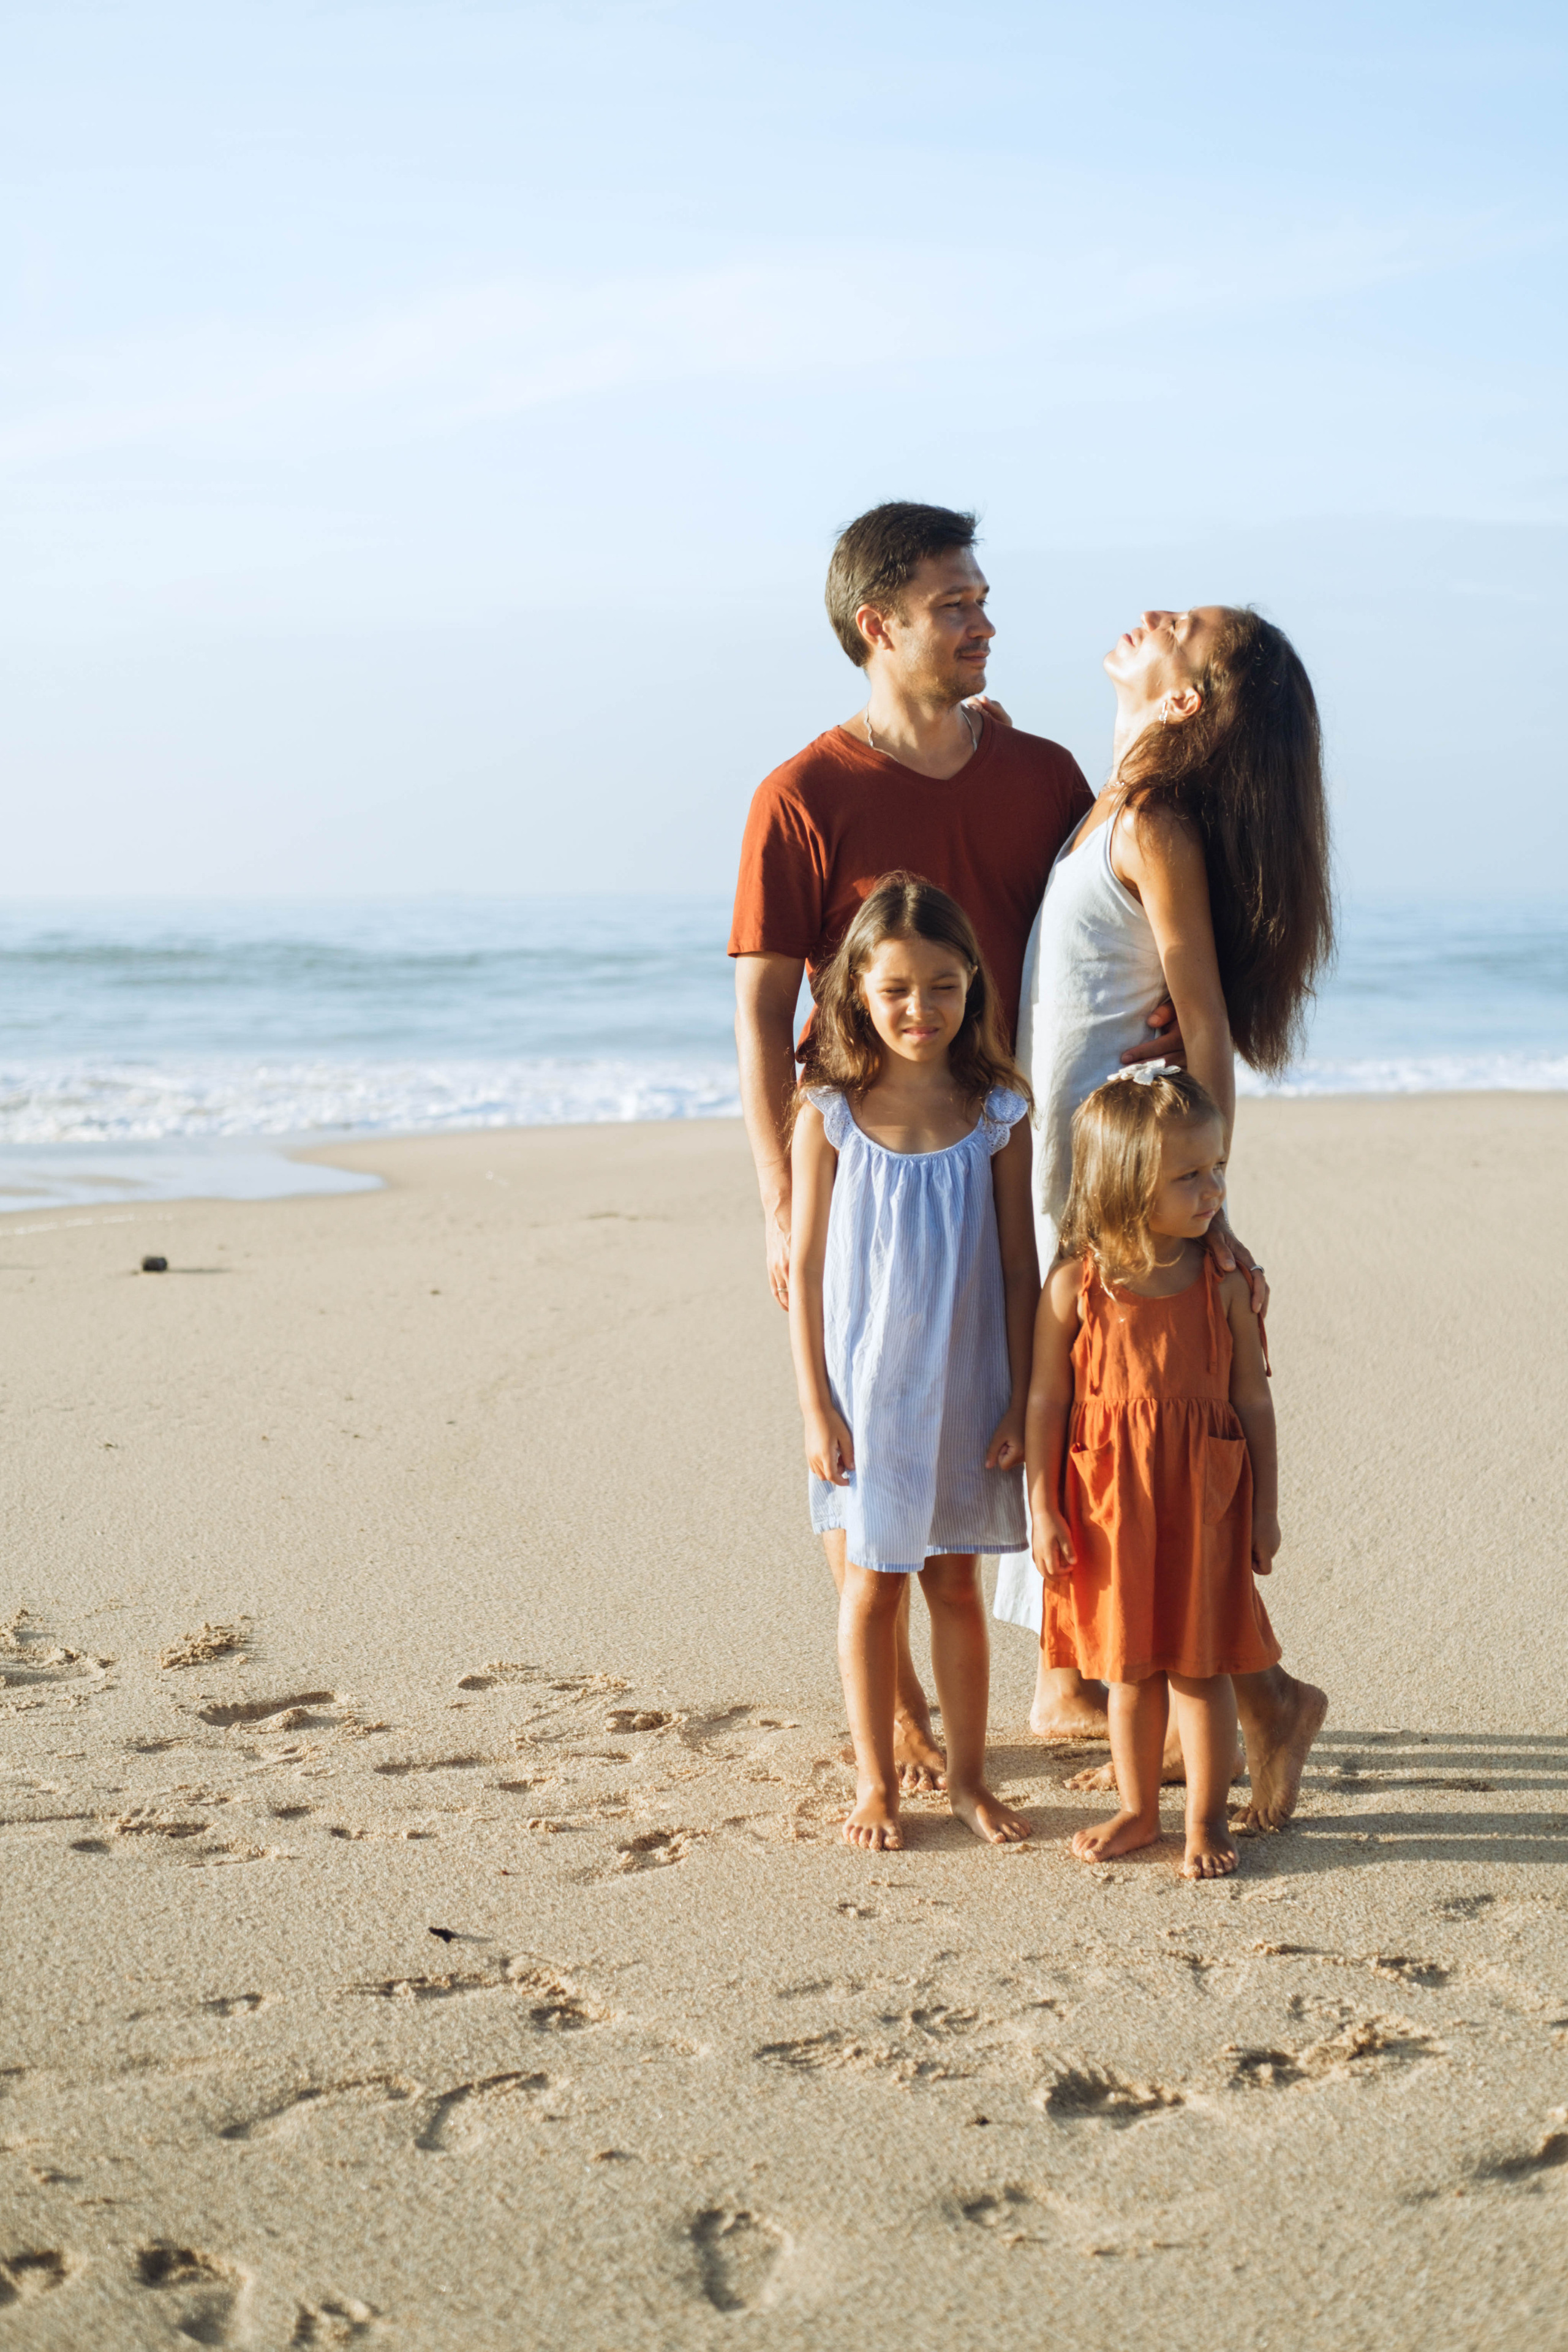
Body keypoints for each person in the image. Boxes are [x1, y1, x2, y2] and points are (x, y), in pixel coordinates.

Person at [731, 500, 1169, 1794]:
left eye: (981, 600)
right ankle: (902, 1693)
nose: (984, 624)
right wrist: (773, 1201)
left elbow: (1109, 902)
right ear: (879, 625)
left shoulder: (1037, 775)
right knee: (863, 1421)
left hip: (1009, 1141)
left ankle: (1057, 1665)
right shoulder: (800, 796)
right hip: (859, 1163)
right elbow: (761, 1018)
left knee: (1025, 1401)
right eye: (954, 606)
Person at [994, 605, 1332, 1829]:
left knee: (1138, 1445)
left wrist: (1212, 1213)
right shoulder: (1108, 807)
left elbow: (1200, 1028)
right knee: (1110, 1440)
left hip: (1119, 1189)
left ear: (1186, 698)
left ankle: (1245, 1694)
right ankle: (1154, 1685)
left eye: (1178, 627)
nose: (1149, 618)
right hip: (1076, 1170)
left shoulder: (1149, 826)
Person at [788, 875, 1036, 1853]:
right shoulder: (831, 1110)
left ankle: (970, 1780)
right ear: (856, 991)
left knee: (956, 1588)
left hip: (969, 1387)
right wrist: (815, 1405)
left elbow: (1020, 1264)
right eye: (895, 989)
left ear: (973, 983)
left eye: (942, 985)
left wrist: (1020, 1396)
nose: (919, 1009)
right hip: (865, 1392)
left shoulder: (997, 1111)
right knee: (872, 1586)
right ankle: (877, 1781)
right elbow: (803, 1269)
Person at [1025, 1067, 1280, 1878]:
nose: (1213, 1191)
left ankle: (1204, 1820)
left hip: (1205, 1500)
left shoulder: (1225, 1286)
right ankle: (1139, 1809)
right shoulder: (1077, 1287)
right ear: (1127, 1185)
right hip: (1110, 1507)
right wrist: (1041, 1507)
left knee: (1201, 1672)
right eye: (1190, 1176)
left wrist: (1266, 1509)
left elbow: (1254, 1404)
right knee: (1129, 1671)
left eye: (1218, 1170)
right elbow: (1044, 1404)